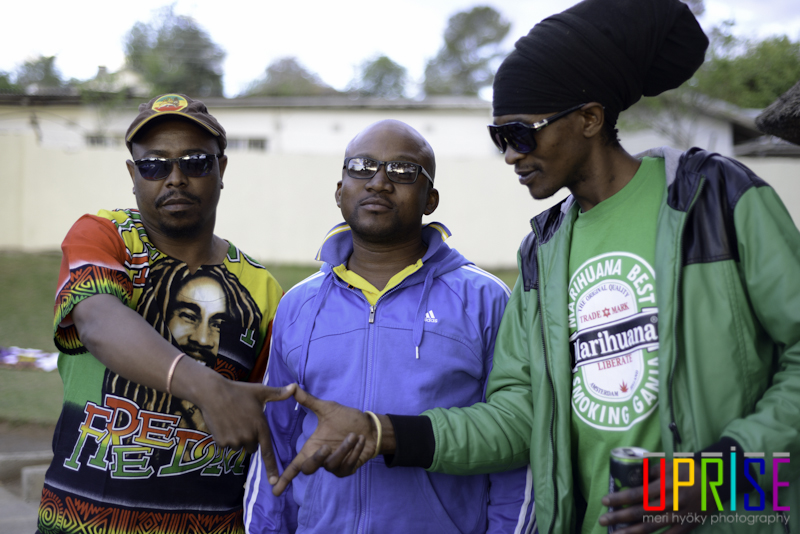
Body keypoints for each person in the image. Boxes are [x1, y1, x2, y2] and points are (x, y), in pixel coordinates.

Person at [268, 1, 800, 533]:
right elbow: (519, 419)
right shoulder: (542, 253)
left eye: (522, 134)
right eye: (500, 138)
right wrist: (379, 432)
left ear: (589, 119)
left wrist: (716, 481)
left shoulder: (714, 199)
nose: (510, 155)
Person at [244, 120, 535, 533]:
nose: (379, 182)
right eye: (362, 167)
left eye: (403, 171)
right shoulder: (298, 304)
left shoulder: (485, 299)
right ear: (340, 190)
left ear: (430, 198)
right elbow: (274, 441)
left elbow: (514, 445)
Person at [38, 93, 293, 534]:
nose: (176, 178)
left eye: (195, 162)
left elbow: (265, 418)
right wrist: (208, 388)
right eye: (154, 165)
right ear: (133, 175)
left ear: (222, 169)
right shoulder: (105, 235)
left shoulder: (263, 290)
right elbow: (97, 322)